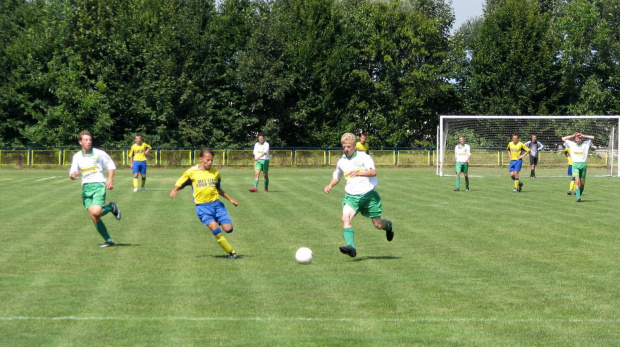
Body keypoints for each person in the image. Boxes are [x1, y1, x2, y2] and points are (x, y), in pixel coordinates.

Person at [324, 132, 393, 258]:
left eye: (349, 146)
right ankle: (351, 247)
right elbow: (337, 176)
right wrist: (330, 185)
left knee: (378, 225)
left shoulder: (364, 157)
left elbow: (373, 172)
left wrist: (359, 173)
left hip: (369, 195)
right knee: (345, 219)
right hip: (351, 197)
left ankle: (388, 226)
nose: (346, 149)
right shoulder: (341, 162)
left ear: (354, 145)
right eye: (344, 146)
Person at [170, 149, 239, 259]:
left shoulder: (215, 173)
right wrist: (175, 190)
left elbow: (218, 189)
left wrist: (230, 199)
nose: (210, 162)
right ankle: (231, 252)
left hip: (217, 205)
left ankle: (216, 221)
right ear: (201, 159)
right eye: (207, 160)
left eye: (211, 160)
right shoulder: (192, 172)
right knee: (215, 229)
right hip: (202, 207)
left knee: (228, 229)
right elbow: (181, 181)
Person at [69, 130, 121, 248]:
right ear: (80, 142)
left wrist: (110, 179)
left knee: (96, 211)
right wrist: (73, 176)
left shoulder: (99, 153)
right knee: (94, 216)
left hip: (98, 185)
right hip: (86, 187)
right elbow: (72, 173)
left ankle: (111, 207)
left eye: (90, 140)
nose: (88, 142)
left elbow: (111, 166)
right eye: (86, 140)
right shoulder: (77, 156)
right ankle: (109, 240)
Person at [561, 132, 595, 202]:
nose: (578, 139)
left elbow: (593, 137)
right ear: (575, 139)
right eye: (577, 138)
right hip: (575, 165)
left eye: (580, 138)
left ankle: (579, 193)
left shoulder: (586, 144)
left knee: (582, 184)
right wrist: (573, 135)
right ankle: (578, 197)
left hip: (583, 165)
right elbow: (563, 138)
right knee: (576, 182)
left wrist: (583, 135)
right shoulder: (572, 144)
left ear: (581, 139)